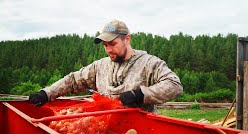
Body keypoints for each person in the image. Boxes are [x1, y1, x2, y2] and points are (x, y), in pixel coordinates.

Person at [29, 19, 183, 112]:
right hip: (106, 130)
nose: (109, 49)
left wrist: (142, 95)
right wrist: (46, 93)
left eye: (113, 44)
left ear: (127, 39)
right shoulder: (100, 66)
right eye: (105, 45)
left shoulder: (149, 63)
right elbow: (73, 80)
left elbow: (174, 85)